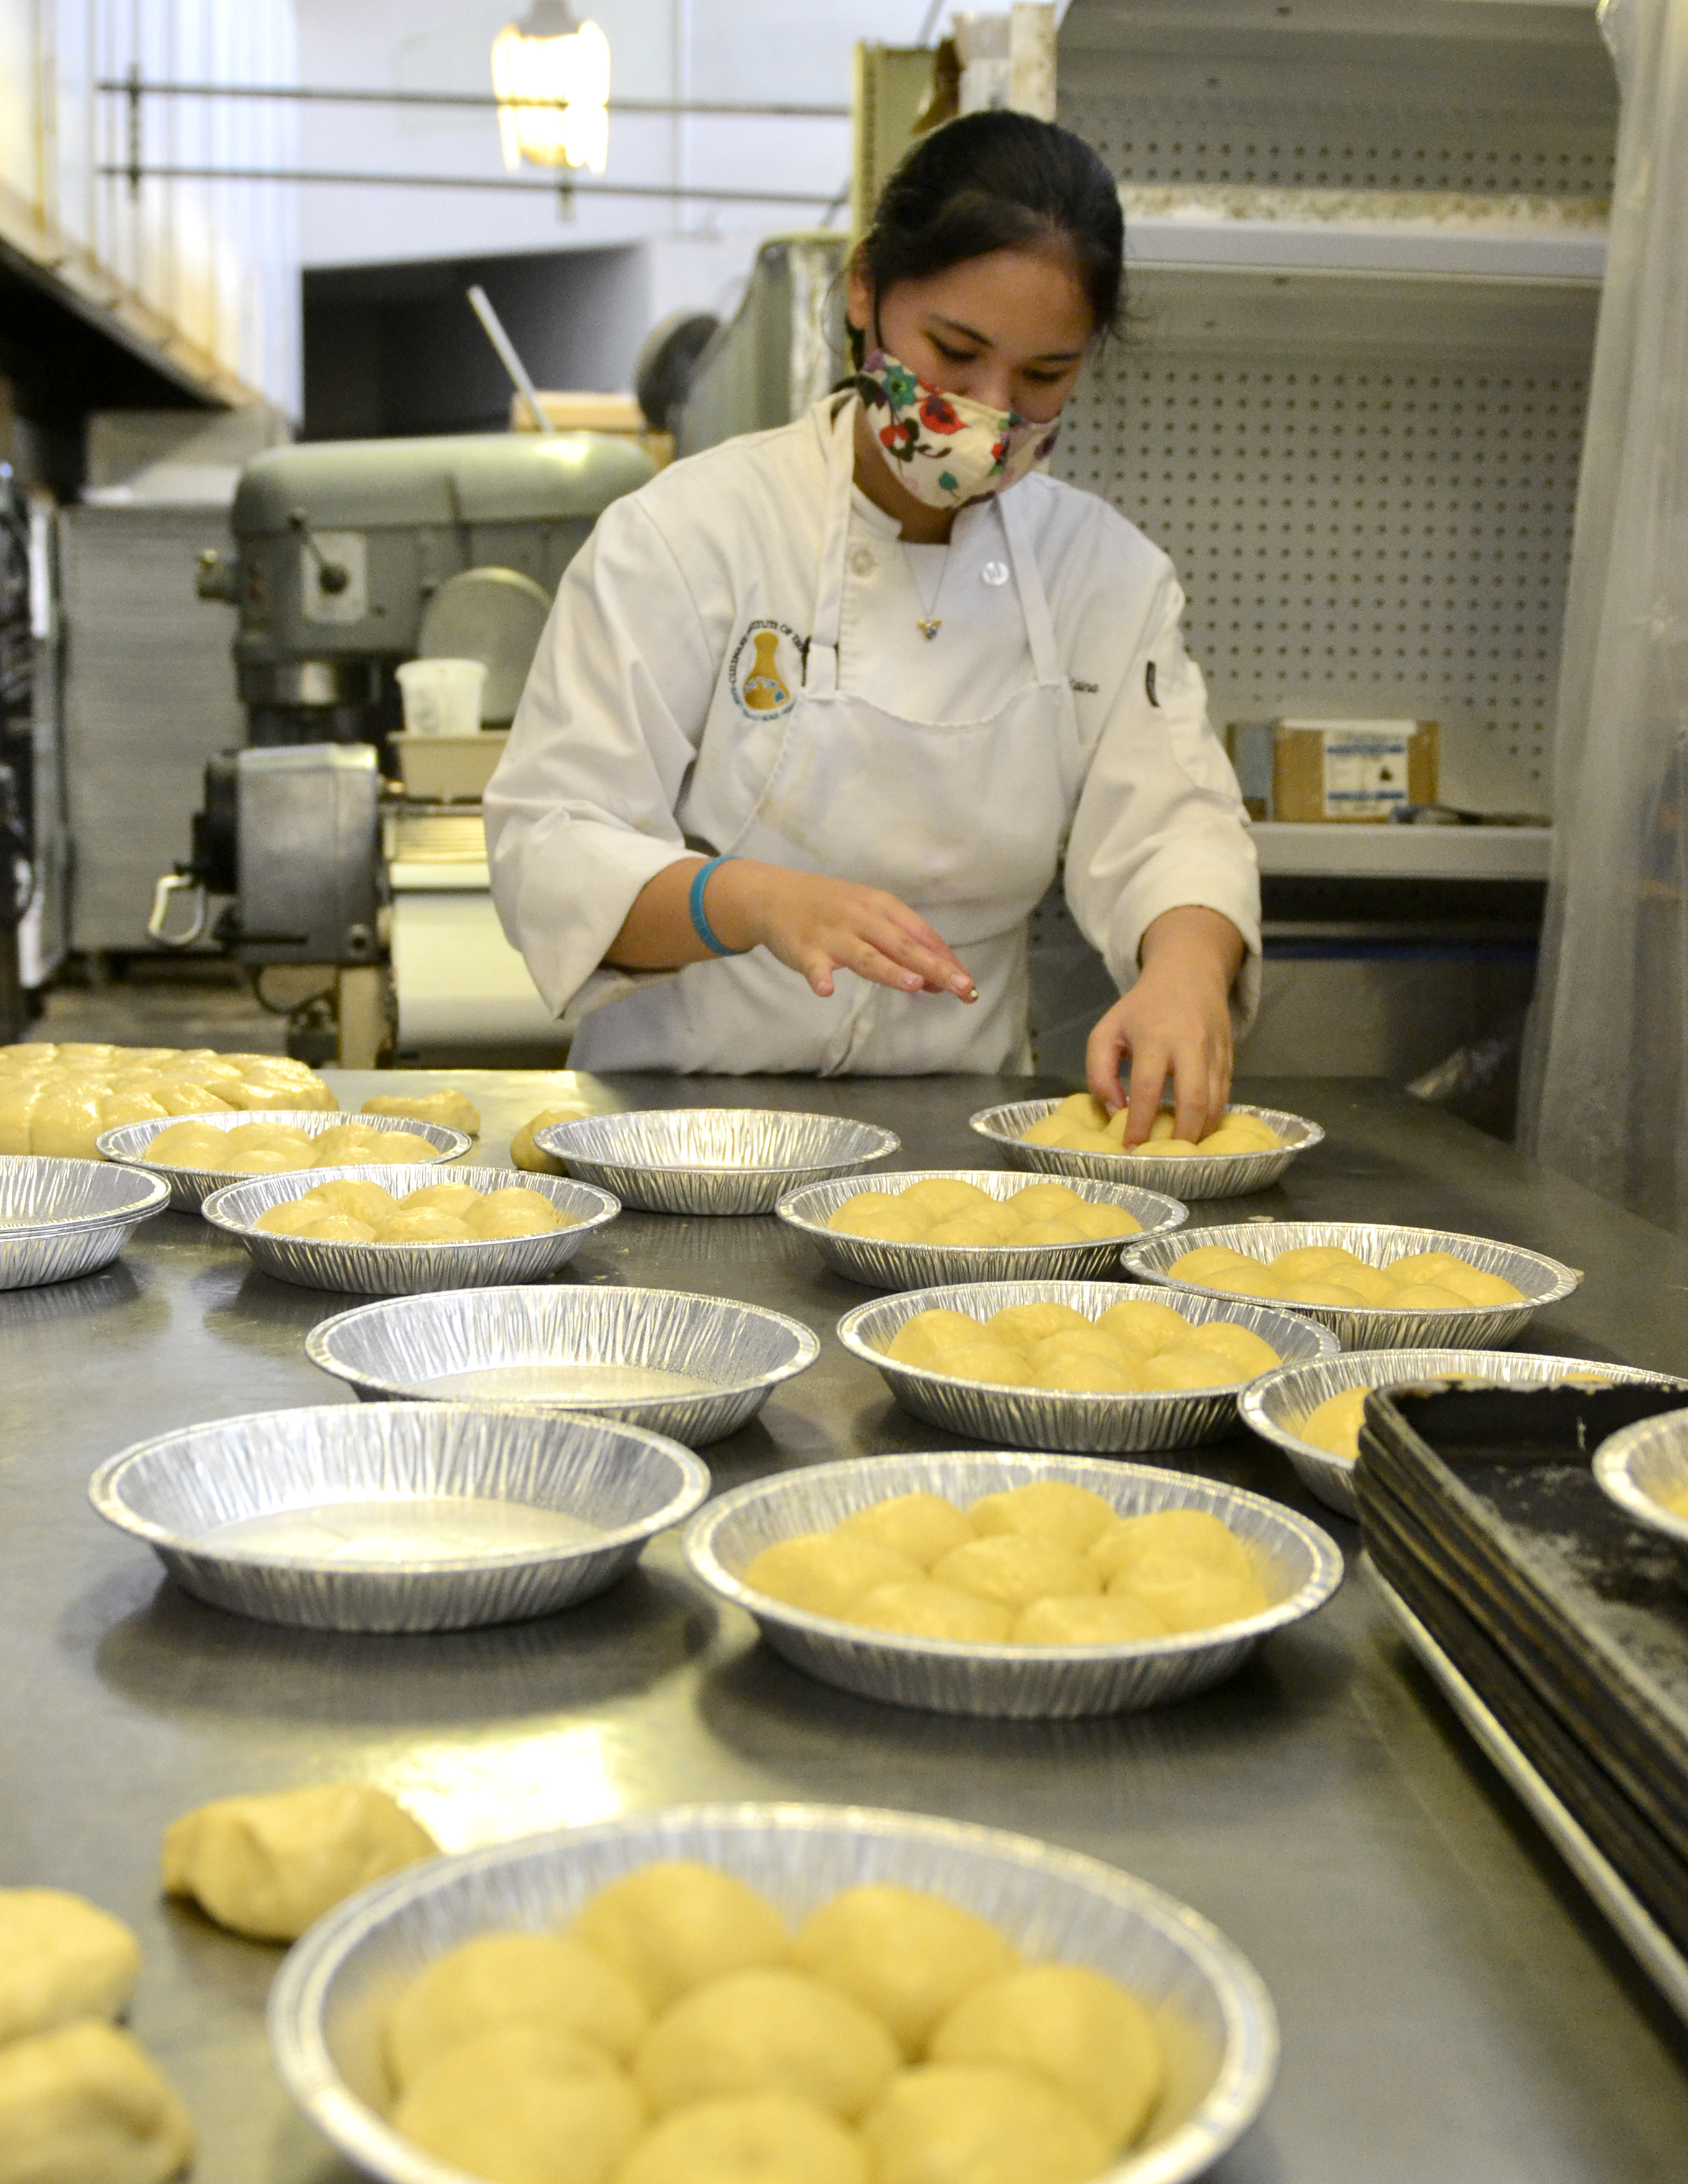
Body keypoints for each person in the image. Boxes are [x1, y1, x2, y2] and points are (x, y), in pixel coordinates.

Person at [484, 110, 1259, 1145]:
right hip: (673, 1128)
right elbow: (551, 842)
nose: (988, 414)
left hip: (954, 1146)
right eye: (954, 351)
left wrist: (1187, 973)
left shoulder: (1103, 576)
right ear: (866, 291)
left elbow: (1174, 823)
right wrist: (745, 901)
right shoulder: (689, 534)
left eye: (1042, 377)